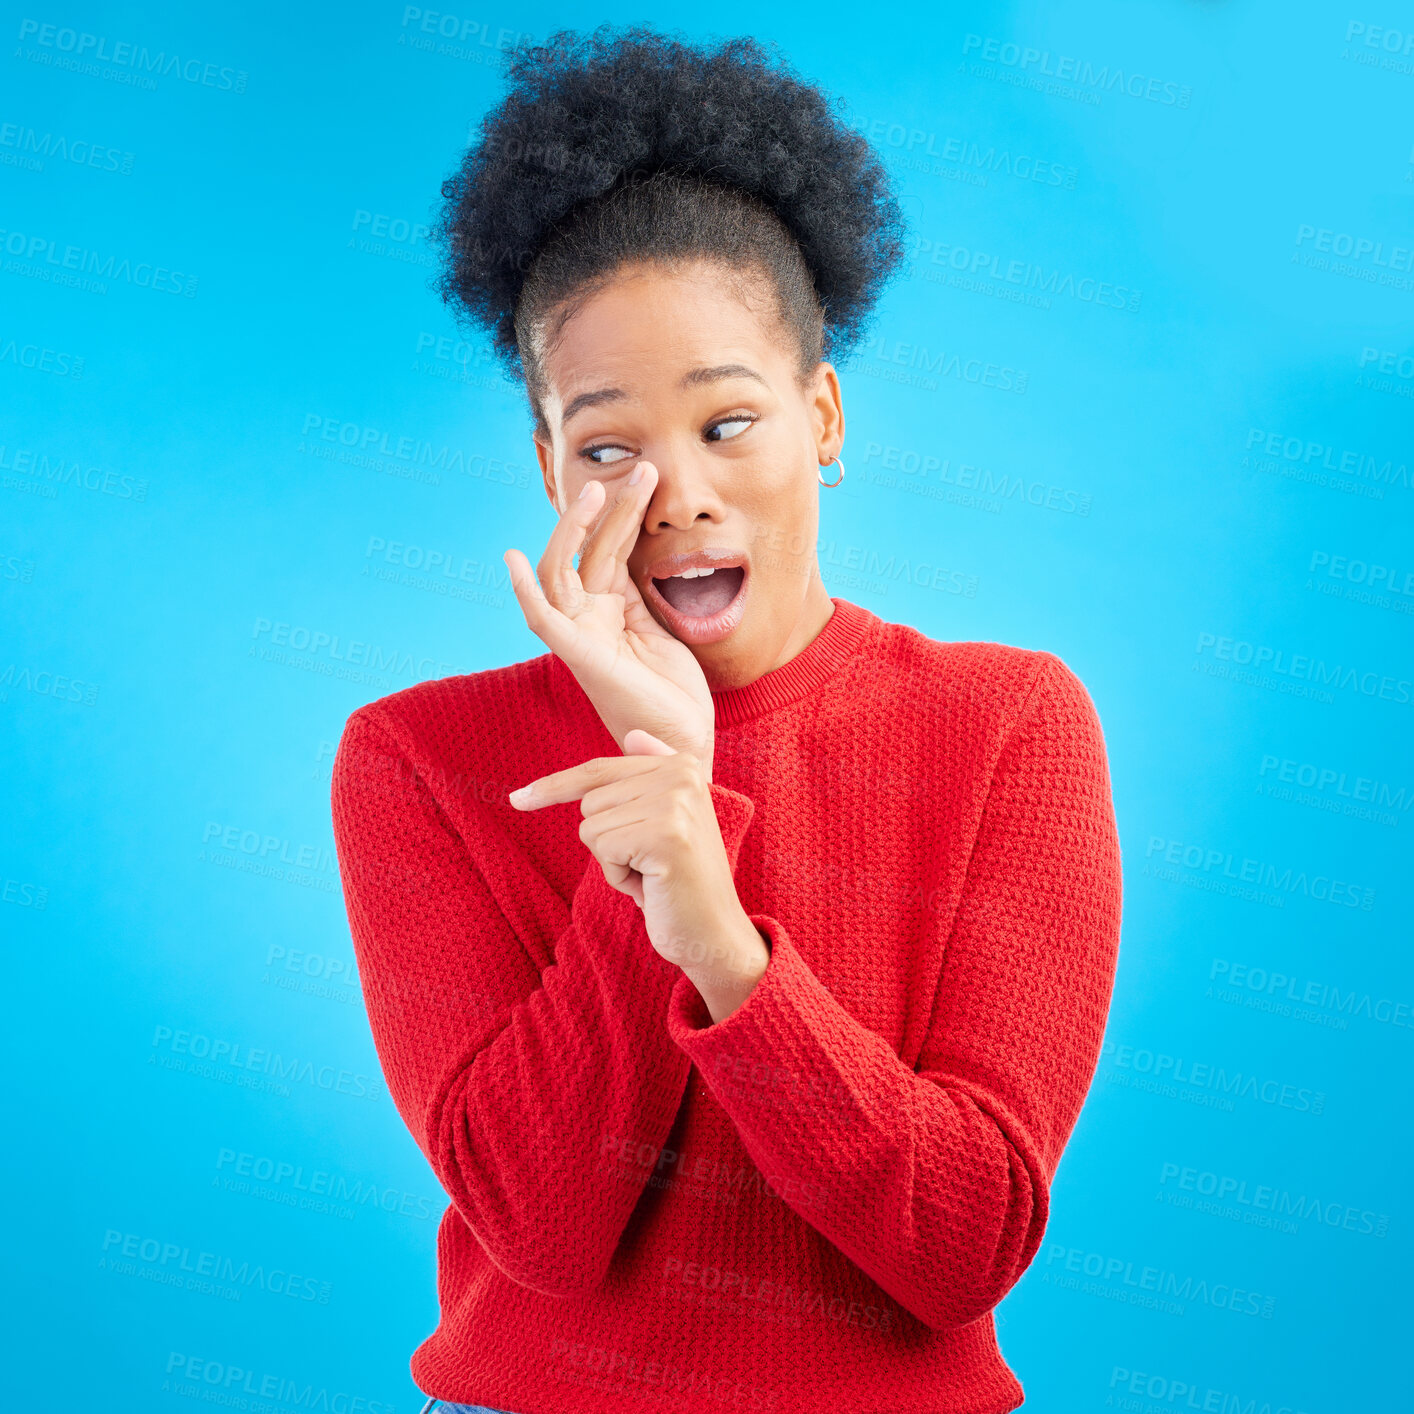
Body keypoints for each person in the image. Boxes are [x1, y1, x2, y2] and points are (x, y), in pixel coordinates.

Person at [330, 24, 1123, 1414]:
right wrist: (654, 777)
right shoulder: (416, 759)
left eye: (727, 422)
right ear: (546, 463)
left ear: (820, 415)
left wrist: (714, 929)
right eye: (609, 445)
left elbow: (959, 1245)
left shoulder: (1011, 724)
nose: (676, 492)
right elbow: (543, 1227)